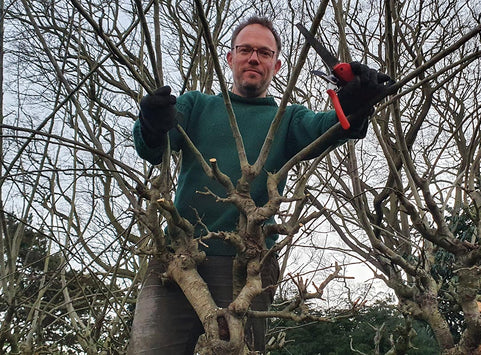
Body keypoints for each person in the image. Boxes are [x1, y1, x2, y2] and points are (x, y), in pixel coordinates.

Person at [128, 16, 391, 354]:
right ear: (230, 58)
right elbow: (153, 146)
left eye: (264, 53)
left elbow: (325, 128)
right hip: (178, 257)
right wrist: (150, 121)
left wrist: (355, 108)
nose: (253, 58)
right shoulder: (196, 105)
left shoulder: (289, 117)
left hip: (247, 265)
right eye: (246, 50)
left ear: (277, 64)